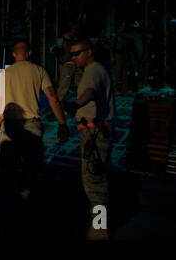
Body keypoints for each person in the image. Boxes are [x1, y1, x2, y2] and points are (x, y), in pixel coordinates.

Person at [0, 40, 69, 199]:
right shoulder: (39, 71)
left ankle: (10, 205)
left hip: (10, 127)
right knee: (30, 171)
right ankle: (27, 201)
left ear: (14, 55)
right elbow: (53, 99)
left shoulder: (5, 74)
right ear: (29, 53)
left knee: (9, 171)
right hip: (32, 127)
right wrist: (62, 123)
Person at [62, 39, 116, 240]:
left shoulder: (93, 71)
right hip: (100, 131)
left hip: (95, 132)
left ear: (89, 52)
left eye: (77, 53)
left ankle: (99, 230)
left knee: (94, 183)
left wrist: (75, 104)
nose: (73, 57)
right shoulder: (97, 69)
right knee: (99, 179)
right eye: (72, 54)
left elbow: (89, 92)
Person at [50, 23, 82, 101]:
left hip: (76, 64)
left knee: (81, 83)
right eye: (74, 29)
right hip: (66, 65)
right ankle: (59, 102)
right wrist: (58, 50)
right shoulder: (62, 40)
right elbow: (53, 50)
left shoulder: (73, 40)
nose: (75, 31)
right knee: (64, 85)